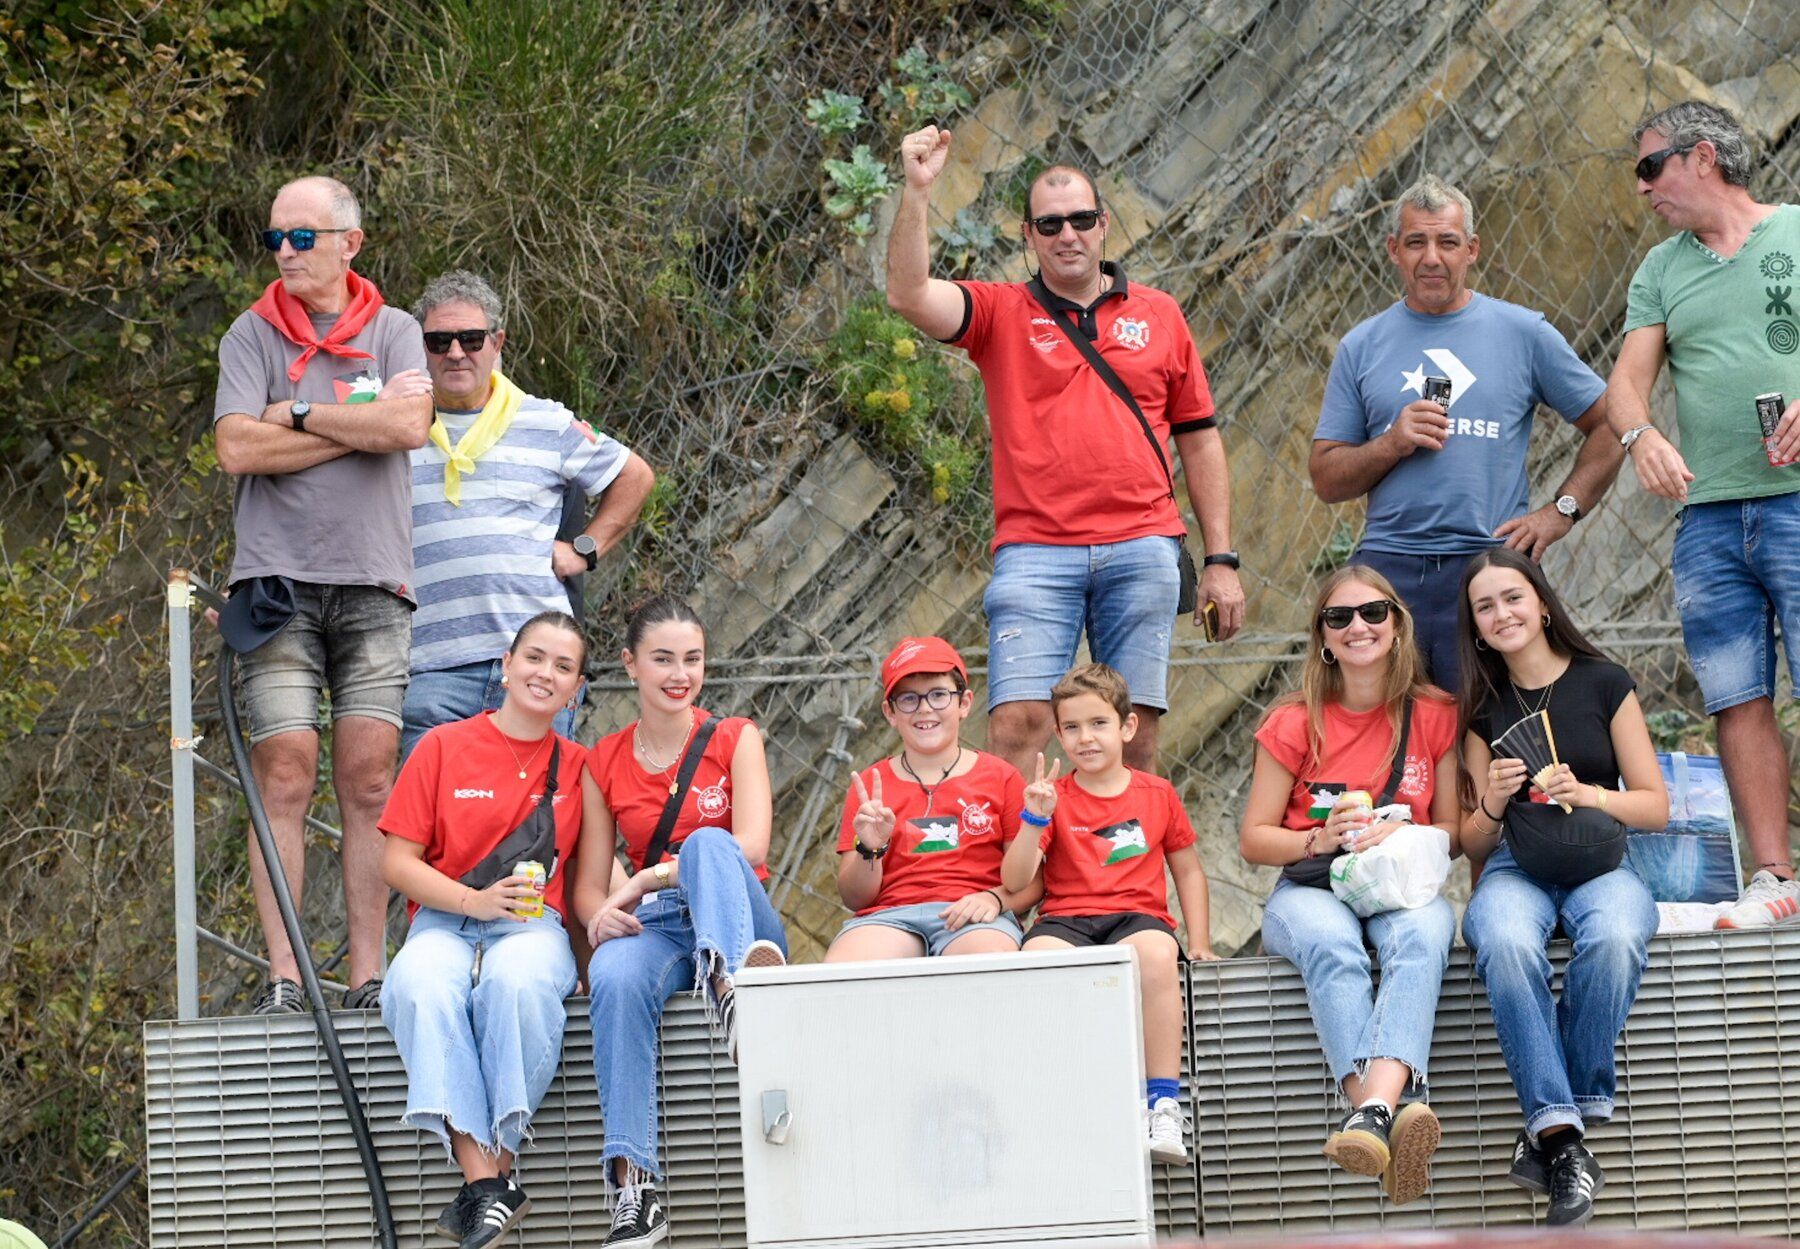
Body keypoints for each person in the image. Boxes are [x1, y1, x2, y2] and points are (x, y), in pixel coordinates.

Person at [886, 126, 1246, 778]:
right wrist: (917, 191)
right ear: (1028, 235)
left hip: (1142, 543)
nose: (1067, 235)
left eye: (1081, 219)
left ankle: (1123, 849)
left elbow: (1199, 436)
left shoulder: (1160, 313)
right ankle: (1021, 849)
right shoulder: (1000, 311)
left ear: (1104, 224)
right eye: (1049, 225)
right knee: (1017, 724)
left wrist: (1220, 558)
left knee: (1133, 736)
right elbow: (909, 295)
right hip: (1036, 549)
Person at [211, 175, 433, 1014]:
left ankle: (369, 977)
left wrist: (296, 415)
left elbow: (407, 427)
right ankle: (286, 978)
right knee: (285, 773)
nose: (285, 253)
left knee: (370, 781)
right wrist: (355, 429)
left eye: (302, 237)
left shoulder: (396, 329)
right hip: (276, 587)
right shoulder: (250, 333)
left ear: (350, 242)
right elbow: (237, 448)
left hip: (374, 583)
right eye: (274, 238)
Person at [1310, 175, 1621, 692]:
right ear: (1393, 250)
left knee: (1491, 724)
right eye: (1416, 242)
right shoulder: (1361, 345)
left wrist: (1560, 512)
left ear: (1472, 249)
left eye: (1448, 242)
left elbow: (1612, 424)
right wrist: (1392, 443)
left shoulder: (1523, 333)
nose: (1432, 258)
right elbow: (1326, 478)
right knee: (1386, 725)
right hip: (1389, 567)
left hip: (1488, 564)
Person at [1608, 99, 1800, 929]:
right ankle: (1774, 876)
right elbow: (1625, 384)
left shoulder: (1795, 231)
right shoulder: (1661, 268)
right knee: (1736, 696)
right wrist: (1642, 435)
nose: (1642, 187)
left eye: (1651, 166)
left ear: (1705, 157)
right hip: (1711, 519)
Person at [1456, 547, 1668, 1228]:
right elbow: (1473, 842)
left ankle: (1551, 1128)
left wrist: (1592, 793)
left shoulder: (1605, 682)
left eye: (1512, 597)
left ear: (1543, 605)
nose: (1501, 613)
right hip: (1518, 865)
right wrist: (1492, 801)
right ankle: (1565, 1138)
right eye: (1484, 606)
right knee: (1502, 937)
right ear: (1475, 626)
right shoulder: (1483, 708)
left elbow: (1655, 806)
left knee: (1617, 934)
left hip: (1602, 860)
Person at [572, 595, 788, 1249]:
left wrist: (647, 876)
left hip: (737, 913)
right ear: (630, 663)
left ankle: (731, 989)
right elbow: (590, 889)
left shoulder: (734, 736)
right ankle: (634, 1190)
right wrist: (603, 918)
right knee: (613, 973)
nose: (679, 674)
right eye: (663, 659)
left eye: (692, 659)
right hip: (662, 924)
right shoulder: (603, 759)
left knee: (708, 842)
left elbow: (751, 845)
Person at [1238, 566, 1459, 1206]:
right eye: (1339, 617)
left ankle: (1368, 1120)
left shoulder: (1436, 713)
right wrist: (1320, 837)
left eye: (1373, 613)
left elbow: (1451, 829)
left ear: (1397, 625)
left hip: (1395, 886)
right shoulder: (1292, 721)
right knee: (1332, 944)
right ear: (1323, 637)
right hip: (1311, 889)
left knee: (1426, 933)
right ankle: (1386, 1108)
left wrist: (1403, 831)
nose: (1358, 626)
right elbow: (1254, 839)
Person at [376, 611, 589, 1249]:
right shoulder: (442, 746)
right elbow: (396, 863)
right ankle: (489, 1182)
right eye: (534, 657)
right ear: (506, 666)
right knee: (417, 984)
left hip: (531, 926)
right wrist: (473, 900)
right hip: (446, 919)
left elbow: (592, 876)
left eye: (563, 667)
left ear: (576, 689)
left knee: (518, 984)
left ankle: (487, 1188)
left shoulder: (582, 767)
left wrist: (592, 958)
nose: (545, 674)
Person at [403, 270, 655, 761]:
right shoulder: (395, 427)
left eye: (471, 339)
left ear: (497, 343)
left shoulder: (545, 419)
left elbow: (635, 476)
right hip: (431, 668)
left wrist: (585, 549)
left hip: (535, 668)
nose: (455, 352)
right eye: (438, 341)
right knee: (434, 809)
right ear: (421, 348)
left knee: (535, 809)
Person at [1001, 663, 1216, 1167]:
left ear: (1127, 727)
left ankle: (1161, 1103)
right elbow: (1014, 879)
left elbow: (1187, 870)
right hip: (1067, 918)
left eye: (1098, 723)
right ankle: (1066, 1100)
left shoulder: (1157, 793)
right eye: (1072, 727)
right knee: (1038, 958)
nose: (1086, 738)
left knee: (1155, 955)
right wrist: (1033, 818)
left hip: (1136, 917)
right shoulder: (1053, 798)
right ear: (1058, 736)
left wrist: (1200, 941)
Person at [826, 637, 1037, 961]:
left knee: (987, 959)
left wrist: (995, 899)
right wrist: (871, 848)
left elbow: (1034, 881)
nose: (925, 708)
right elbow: (855, 898)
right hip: (889, 918)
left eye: (938, 694)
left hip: (974, 914)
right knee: (848, 966)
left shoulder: (1002, 777)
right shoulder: (870, 785)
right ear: (890, 712)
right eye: (909, 699)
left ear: (964, 703)